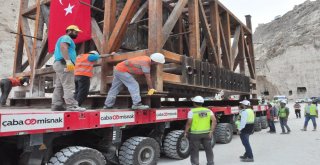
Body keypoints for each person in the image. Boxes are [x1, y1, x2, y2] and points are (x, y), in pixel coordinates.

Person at [51, 25, 85, 111]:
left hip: (59, 63)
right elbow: (63, 47)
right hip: (64, 64)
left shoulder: (63, 38)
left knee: (59, 86)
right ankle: (72, 106)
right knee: (69, 85)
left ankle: (57, 105)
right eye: (75, 32)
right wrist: (68, 61)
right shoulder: (66, 37)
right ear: (69, 31)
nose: (77, 34)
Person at [184, 96, 216, 165]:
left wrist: (186, 132)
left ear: (194, 103)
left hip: (195, 134)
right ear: (202, 103)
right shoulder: (208, 111)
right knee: (208, 149)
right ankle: (210, 162)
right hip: (206, 133)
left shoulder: (192, 112)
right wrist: (211, 132)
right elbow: (214, 121)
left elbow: (189, 123)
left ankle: (195, 163)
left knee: (194, 150)